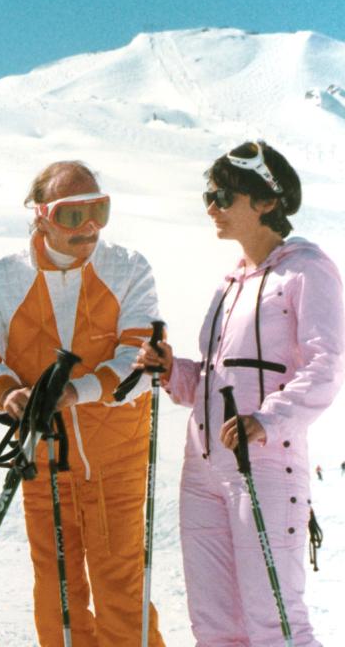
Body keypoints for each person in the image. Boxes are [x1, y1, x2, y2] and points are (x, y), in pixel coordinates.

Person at [0, 161, 165, 646]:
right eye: (72, 214)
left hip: (117, 455)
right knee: (58, 587)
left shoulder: (127, 268)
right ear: (41, 216)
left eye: (99, 210)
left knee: (121, 582)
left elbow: (140, 353)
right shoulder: (4, 279)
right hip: (42, 458)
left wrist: (75, 391)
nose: (88, 226)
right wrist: (6, 391)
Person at [134, 140, 342, 646]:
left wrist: (267, 421)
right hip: (204, 465)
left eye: (224, 195)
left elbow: (325, 365)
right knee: (215, 623)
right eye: (210, 194)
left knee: (273, 620)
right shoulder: (230, 282)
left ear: (266, 200)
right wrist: (172, 371)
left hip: (265, 462)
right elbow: (212, 381)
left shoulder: (306, 269)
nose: (212, 207)